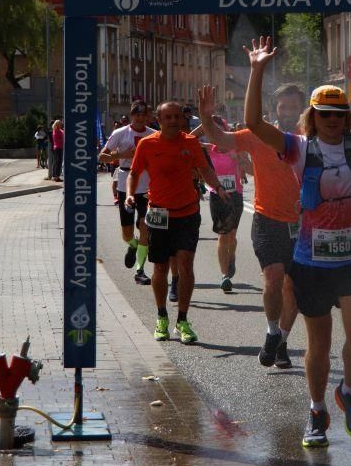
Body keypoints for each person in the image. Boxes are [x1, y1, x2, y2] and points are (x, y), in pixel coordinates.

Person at [243, 30, 351, 449]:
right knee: (318, 346)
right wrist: (257, 71)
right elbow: (253, 125)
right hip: (312, 263)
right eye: (325, 114)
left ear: (346, 118)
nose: (333, 120)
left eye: (338, 114)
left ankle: (349, 391)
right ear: (313, 117)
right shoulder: (298, 148)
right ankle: (317, 410)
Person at [196, 82, 305, 370]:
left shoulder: (310, 137)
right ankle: (272, 331)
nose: (288, 111)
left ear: (302, 109)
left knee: (293, 289)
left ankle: (281, 342)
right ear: (274, 108)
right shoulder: (258, 135)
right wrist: (206, 116)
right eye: (283, 106)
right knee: (273, 279)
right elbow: (219, 137)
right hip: (267, 220)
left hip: (301, 224)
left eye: (294, 106)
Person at [127, 101, 230, 345]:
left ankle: (182, 320)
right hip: (159, 214)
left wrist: (217, 187)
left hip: (187, 213)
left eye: (177, 117)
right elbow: (134, 173)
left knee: (185, 266)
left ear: (182, 120)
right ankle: (162, 317)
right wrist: (130, 194)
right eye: (168, 117)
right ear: (159, 120)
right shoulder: (147, 144)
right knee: (160, 268)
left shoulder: (191, 143)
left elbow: (204, 169)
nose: (174, 121)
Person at [99, 102, 155, 286]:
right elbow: (102, 155)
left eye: (143, 115)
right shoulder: (120, 133)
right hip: (125, 184)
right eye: (137, 115)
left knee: (145, 226)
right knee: (127, 232)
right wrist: (121, 155)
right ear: (131, 115)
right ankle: (133, 245)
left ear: (147, 117)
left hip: (147, 185)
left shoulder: (153, 134)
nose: (140, 118)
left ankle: (140, 270)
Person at [202, 117, 244, 294]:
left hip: (235, 195)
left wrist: (239, 159)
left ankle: (231, 256)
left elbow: (247, 165)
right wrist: (204, 125)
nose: (216, 134)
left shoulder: (236, 147)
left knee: (231, 235)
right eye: (213, 131)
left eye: (219, 130)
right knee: (222, 235)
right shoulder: (208, 149)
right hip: (217, 195)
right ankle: (224, 275)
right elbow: (188, 139)